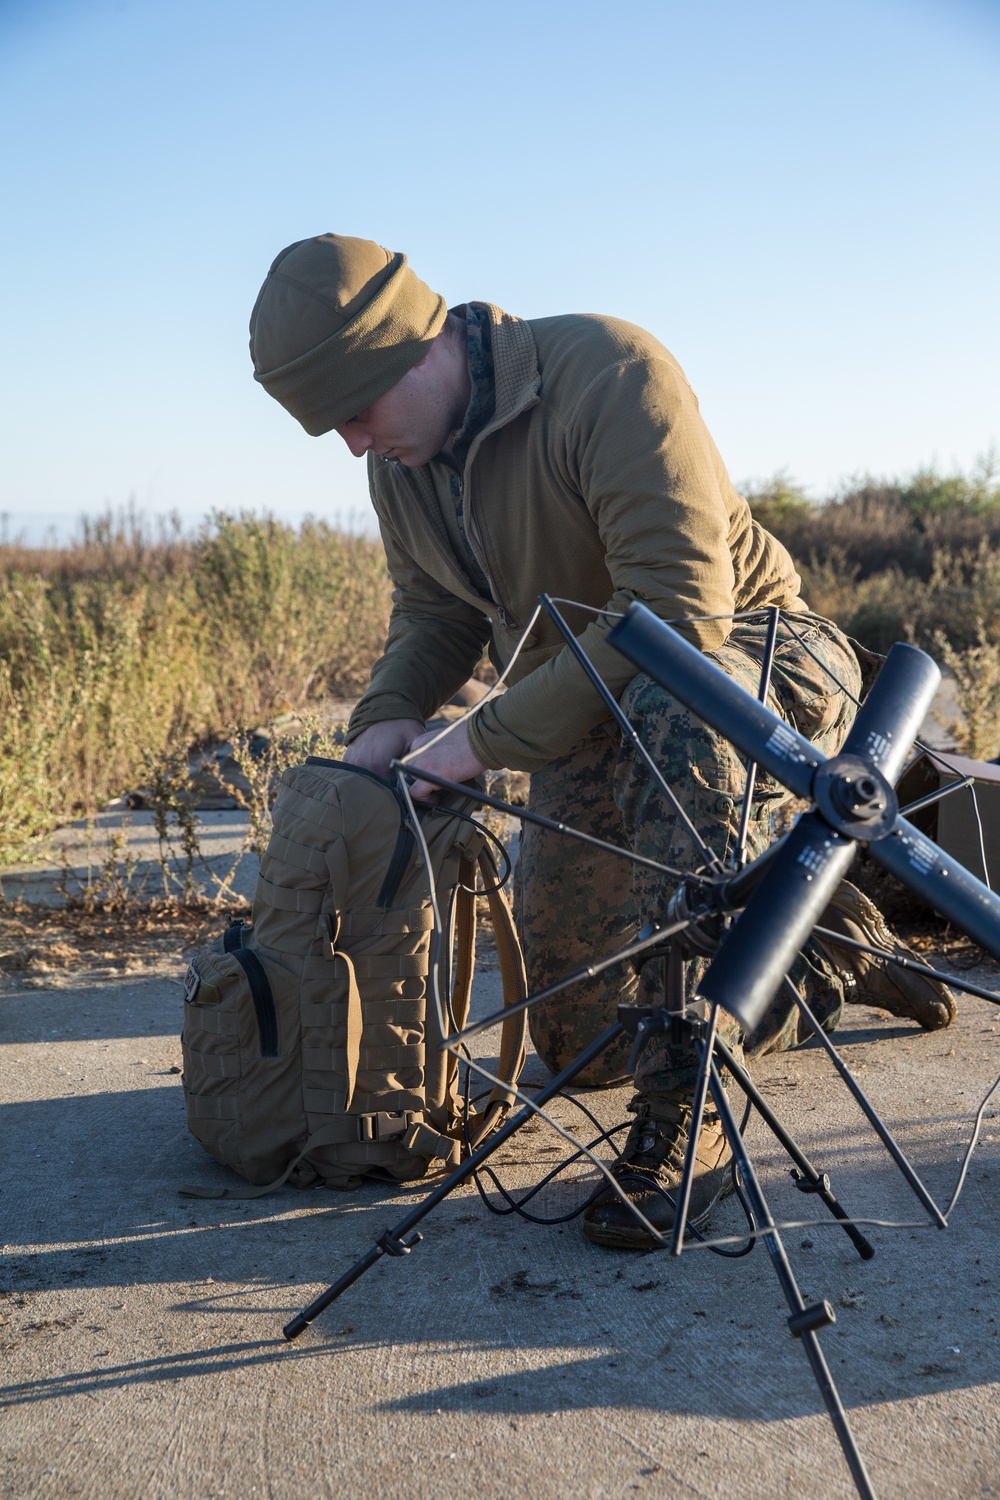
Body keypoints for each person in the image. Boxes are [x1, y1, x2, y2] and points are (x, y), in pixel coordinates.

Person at [249, 233, 955, 1249]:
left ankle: (694, 1108)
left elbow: (677, 615)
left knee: (678, 711)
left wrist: (477, 742)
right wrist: (391, 718)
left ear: (411, 350)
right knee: (583, 1042)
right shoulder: (402, 465)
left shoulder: (610, 371)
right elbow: (434, 613)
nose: (353, 446)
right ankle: (825, 947)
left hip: (751, 659)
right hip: (584, 693)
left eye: (354, 413)